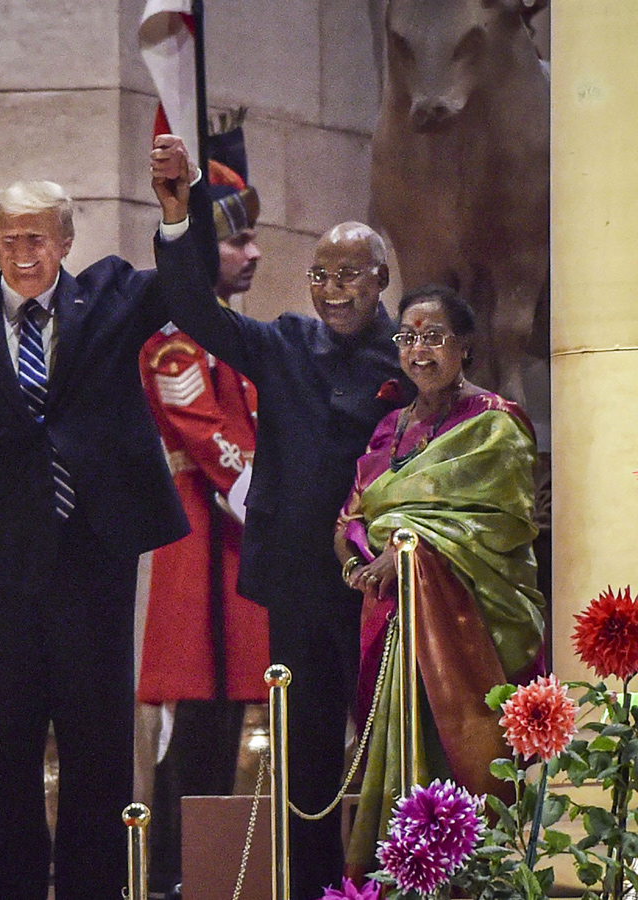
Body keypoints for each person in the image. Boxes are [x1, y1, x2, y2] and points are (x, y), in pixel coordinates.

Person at [0, 136, 210, 900]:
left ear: (65, 241)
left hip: (92, 564)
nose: (22, 252)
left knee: (98, 757)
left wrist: (177, 209)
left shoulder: (108, 298)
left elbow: (184, 286)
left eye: (36, 237)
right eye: (7, 240)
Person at [154, 214, 413, 900]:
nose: (332, 290)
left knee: (391, 753)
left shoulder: (410, 356)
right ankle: (313, 891)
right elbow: (188, 309)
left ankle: (400, 887)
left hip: (380, 589)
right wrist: (178, 222)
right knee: (304, 760)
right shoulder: (285, 342)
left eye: (350, 275)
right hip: (298, 583)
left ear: (382, 279)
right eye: (320, 275)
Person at [334, 284, 545, 878]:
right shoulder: (387, 429)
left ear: (466, 347)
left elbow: (499, 524)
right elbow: (355, 514)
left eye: (433, 337)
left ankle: (474, 883)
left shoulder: (495, 425)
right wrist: (357, 559)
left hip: (469, 627)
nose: (418, 351)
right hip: (392, 619)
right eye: (407, 337)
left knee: (464, 764)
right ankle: (401, 879)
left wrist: (408, 550)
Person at [136, 126, 270, 898]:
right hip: (205, 550)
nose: (252, 253)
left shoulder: (235, 337)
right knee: (197, 721)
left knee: (233, 718)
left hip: (239, 552)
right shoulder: (175, 341)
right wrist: (282, 508)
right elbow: (212, 442)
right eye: (237, 240)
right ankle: (175, 878)